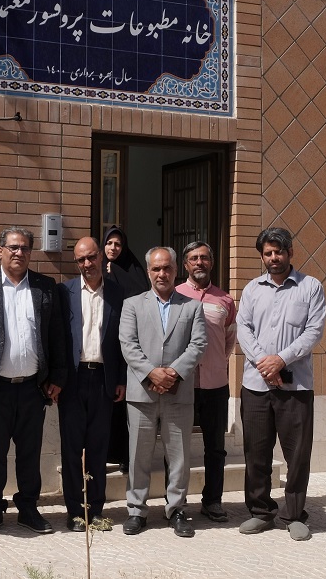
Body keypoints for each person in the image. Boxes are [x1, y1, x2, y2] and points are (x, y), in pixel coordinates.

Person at [0, 227, 68, 536]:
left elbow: (57, 335)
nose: (18, 253)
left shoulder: (45, 286)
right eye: (13, 247)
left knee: (29, 453)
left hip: (32, 387)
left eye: (24, 248)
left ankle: (28, 508)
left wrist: (57, 376)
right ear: (0, 250)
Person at [236, 227, 326, 541]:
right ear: (262, 257)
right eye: (268, 253)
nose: (273, 257)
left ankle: (294, 515)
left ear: (290, 253)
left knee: (297, 454)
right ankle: (261, 512)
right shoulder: (252, 289)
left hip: (295, 387)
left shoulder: (310, 287)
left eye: (279, 252)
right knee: (256, 452)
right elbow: (243, 329)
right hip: (256, 385)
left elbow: (314, 331)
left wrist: (281, 359)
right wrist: (265, 362)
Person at [118, 247, 206, 538]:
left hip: (178, 393)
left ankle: (177, 509)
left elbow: (198, 344)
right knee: (138, 455)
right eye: (156, 269)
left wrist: (173, 373)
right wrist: (151, 373)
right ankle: (136, 510)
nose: (162, 274)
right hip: (141, 393)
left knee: (179, 456)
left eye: (167, 268)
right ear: (148, 272)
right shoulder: (132, 304)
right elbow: (128, 344)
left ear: (175, 270)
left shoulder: (192, 306)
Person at [57, 237, 126, 532]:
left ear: (101, 257)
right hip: (72, 380)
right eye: (81, 260)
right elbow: (57, 339)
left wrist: (121, 379)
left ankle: (95, 510)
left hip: (103, 379)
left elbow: (125, 341)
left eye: (91, 257)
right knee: (72, 449)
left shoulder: (119, 294)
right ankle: (75, 511)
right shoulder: (65, 292)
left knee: (98, 448)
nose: (87, 264)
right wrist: (56, 379)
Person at [174, 241, 237, 523]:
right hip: (182, 384)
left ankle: (212, 501)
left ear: (211, 262)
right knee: (177, 446)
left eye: (204, 258)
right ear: (185, 264)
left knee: (215, 447)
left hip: (214, 385)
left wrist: (215, 363)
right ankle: (175, 502)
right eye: (193, 258)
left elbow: (229, 340)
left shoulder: (225, 300)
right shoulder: (175, 295)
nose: (199, 262)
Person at [102, 225, 149, 472]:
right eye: (109, 243)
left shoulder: (131, 269)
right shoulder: (98, 269)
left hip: (126, 348)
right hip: (103, 349)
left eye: (118, 244)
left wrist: (117, 273)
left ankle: (125, 456)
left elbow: (140, 295)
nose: (113, 248)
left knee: (124, 407)